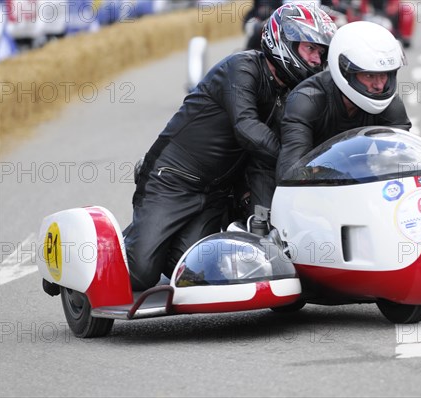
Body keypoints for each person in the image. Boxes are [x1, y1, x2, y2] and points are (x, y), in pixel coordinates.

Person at [124, 3, 337, 291]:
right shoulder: (241, 67)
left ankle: (153, 236)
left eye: (320, 53)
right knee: (140, 273)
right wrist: (297, 163)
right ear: (284, 40)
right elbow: (246, 129)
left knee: (191, 274)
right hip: (172, 178)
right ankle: (113, 242)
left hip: (214, 194)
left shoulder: (291, 92)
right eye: (310, 49)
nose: (316, 59)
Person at [276, 20, 411, 180]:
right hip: (316, 189)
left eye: (384, 75)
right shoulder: (307, 100)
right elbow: (290, 175)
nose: (379, 85)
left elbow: (402, 162)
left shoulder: (391, 105)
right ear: (346, 72)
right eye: (369, 75)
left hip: (366, 185)